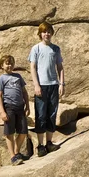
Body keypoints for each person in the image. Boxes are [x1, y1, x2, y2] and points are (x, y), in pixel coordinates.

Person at [28, 22, 64, 157]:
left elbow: (60, 67)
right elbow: (32, 68)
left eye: (49, 31)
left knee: (52, 114)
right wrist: (36, 85)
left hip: (54, 85)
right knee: (41, 115)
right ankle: (40, 145)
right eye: (44, 32)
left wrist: (62, 84)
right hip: (41, 86)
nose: (46, 34)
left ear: (52, 33)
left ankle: (49, 142)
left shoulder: (55, 49)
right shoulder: (36, 48)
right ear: (40, 34)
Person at [0, 54, 30, 166]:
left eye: (11, 63)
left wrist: (28, 106)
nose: (9, 65)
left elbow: (24, 92)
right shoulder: (1, 79)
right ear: (2, 65)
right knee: (9, 133)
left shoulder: (18, 76)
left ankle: (16, 152)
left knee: (23, 132)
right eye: (7, 63)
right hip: (9, 107)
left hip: (20, 107)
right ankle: (13, 157)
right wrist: (2, 111)